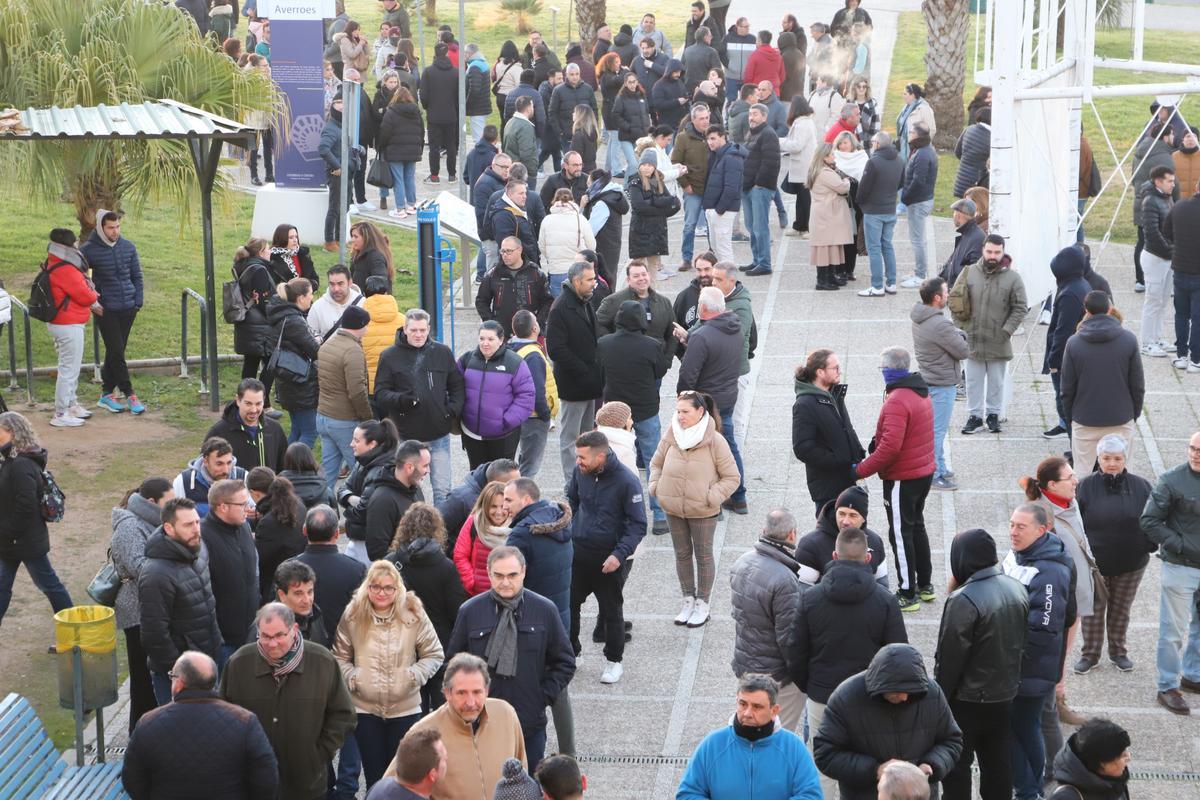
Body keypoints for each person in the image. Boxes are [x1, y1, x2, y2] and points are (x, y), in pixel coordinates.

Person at [790, 525, 906, 793]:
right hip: (870, 698)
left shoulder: (811, 599)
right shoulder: (886, 601)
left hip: (823, 695)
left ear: (834, 555)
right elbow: (898, 654)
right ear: (868, 558)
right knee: (870, 766)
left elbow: (795, 650)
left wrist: (812, 686)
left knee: (822, 767)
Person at [446, 546, 574, 770]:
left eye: (512, 575)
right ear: (488, 573)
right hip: (481, 721)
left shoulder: (544, 610)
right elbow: (453, 665)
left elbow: (564, 662)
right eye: (499, 575)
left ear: (523, 572)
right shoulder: (470, 611)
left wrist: (542, 696)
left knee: (530, 785)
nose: (505, 582)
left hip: (529, 722)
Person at [220, 603, 357, 800]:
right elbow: (223, 715)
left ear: (294, 630)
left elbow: (344, 714)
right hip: (254, 784)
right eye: (265, 636)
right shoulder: (238, 663)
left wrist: (318, 755)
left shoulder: (323, 661)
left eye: (279, 636)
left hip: (306, 785)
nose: (272, 644)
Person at [332, 560, 444, 789]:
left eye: (388, 588)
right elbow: (339, 657)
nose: (381, 593)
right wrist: (354, 678)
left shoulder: (413, 614)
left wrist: (412, 676)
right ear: (367, 587)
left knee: (405, 777)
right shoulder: (353, 614)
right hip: (366, 709)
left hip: (405, 708)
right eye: (375, 587)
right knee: (375, 777)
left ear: (397, 588)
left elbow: (434, 654)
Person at [935, 528, 1029, 800]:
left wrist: (940, 698)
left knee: (957, 766)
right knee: (998, 762)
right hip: (1005, 694)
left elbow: (949, 657)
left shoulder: (963, 599)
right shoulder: (1017, 588)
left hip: (966, 699)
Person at [814, 643, 963, 800]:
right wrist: (876, 770)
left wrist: (931, 765)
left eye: (910, 692)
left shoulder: (931, 693)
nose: (904, 697)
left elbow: (952, 740)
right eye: (898, 692)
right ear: (880, 685)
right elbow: (825, 753)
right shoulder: (846, 698)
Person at [121, 651, 278, 799]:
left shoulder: (148, 722)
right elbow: (266, 779)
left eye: (172, 676)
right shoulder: (245, 720)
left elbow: (132, 778)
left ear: (179, 683)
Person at [1002, 504, 1077, 799]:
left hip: (1029, 669)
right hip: (1018, 665)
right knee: (1021, 727)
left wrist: (1013, 663)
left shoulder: (1049, 571)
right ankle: (1028, 786)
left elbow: (1044, 628)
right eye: (1011, 524)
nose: (1013, 531)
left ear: (1041, 530)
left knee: (1024, 728)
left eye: (1021, 527)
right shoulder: (1018, 554)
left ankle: (1029, 790)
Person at [853, 347, 936, 611]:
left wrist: (860, 470)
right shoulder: (919, 391)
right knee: (917, 526)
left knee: (900, 533)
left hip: (903, 476)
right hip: (923, 471)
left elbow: (891, 447)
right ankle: (925, 584)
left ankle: (907, 592)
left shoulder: (897, 399)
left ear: (889, 370)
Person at [650, 390, 740, 627]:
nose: (680, 416)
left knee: (703, 555)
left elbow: (732, 477)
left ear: (700, 412)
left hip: (702, 510)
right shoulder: (671, 434)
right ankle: (687, 599)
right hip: (673, 507)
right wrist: (656, 487)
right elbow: (656, 463)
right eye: (678, 411)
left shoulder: (715, 441)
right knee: (681, 554)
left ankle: (703, 603)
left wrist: (711, 497)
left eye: (685, 412)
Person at [382, 652, 527, 794]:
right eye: (461, 693)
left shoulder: (506, 714)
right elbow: (391, 791)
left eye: (477, 692)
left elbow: (522, 773)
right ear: (447, 693)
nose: (470, 703)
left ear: (487, 691)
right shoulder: (424, 732)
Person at [568, 431, 646, 684]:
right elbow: (572, 499)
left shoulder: (627, 481)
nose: (578, 462)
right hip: (578, 553)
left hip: (608, 559)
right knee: (569, 606)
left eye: (582, 457)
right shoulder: (581, 471)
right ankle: (572, 653)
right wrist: (575, 528)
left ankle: (614, 661)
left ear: (601, 455)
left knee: (612, 612)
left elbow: (637, 524)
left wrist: (619, 554)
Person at [1075, 435, 1155, 674]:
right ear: (1098, 458)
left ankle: (1118, 652)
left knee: (1121, 610)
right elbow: (1075, 522)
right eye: (1107, 458)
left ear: (1124, 459)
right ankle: (1090, 654)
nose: (1112, 463)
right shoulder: (1085, 486)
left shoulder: (1142, 486)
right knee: (1093, 611)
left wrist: (1148, 545)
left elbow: (1153, 519)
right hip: (1095, 565)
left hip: (1132, 563)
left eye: (1117, 458)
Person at [677, 674, 823, 800]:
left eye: (757, 707)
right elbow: (688, 793)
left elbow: (811, 795)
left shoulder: (794, 748)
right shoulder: (712, 744)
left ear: (774, 710)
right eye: (743, 704)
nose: (747, 713)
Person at [375, 309, 466, 505]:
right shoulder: (389, 356)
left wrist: (451, 410)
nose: (418, 335)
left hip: (438, 433)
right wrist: (402, 400)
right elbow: (381, 393)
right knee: (406, 489)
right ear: (405, 329)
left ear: (429, 329)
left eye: (422, 330)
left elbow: (457, 385)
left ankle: (442, 533)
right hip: (406, 435)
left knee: (443, 490)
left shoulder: (442, 352)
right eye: (414, 330)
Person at [137, 497, 221, 706]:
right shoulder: (156, 574)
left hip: (207, 661)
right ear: (169, 528)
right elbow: (154, 635)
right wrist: (180, 671)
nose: (196, 530)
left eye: (197, 522)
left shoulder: (198, 549)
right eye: (188, 525)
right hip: (179, 677)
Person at [728, 509, 806, 730]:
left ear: (763, 531)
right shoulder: (785, 580)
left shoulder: (740, 562)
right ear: (792, 535)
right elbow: (787, 638)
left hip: (746, 663)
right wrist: (801, 673)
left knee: (748, 723)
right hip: (777, 675)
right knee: (777, 731)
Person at [1140, 431, 1200, 714]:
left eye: (1199, 449)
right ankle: (1167, 686)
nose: (1195, 454)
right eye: (1192, 448)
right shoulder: (1172, 480)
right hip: (1181, 566)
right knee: (1172, 630)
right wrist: (1182, 545)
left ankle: (1193, 675)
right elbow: (1150, 521)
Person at [385, 503, 466, 709]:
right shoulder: (446, 568)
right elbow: (457, 612)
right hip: (440, 646)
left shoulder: (390, 564)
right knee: (443, 712)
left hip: (403, 647)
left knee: (412, 712)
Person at [110, 477, 174, 731]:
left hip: (151, 608)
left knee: (151, 676)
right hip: (137, 613)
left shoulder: (150, 521)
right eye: (168, 503)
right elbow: (141, 567)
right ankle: (139, 734)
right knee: (142, 679)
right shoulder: (129, 527)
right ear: (151, 502)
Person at [949, 234, 1029, 436]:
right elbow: (955, 300)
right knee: (973, 382)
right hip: (972, 339)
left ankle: (993, 415)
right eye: (989, 251)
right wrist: (961, 329)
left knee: (996, 382)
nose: (992, 255)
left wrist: (1006, 331)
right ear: (983, 250)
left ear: (1003, 252)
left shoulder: (1013, 278)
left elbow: (1020, 307)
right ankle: (974, 416)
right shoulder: (968, 273)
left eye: (997, 252)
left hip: (998, 340)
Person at [678, 286, 748, 513]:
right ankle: (739, 496)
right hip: (728, 398)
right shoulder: (736, 328)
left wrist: (683, 403)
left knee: (704, 454)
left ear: (703, 308)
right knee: (729, 448)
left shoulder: (701, 336)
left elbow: (688, 376)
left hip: (706, 405)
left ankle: (711, 503)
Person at [1061, 290, 1144, 474]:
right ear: (1110, 309)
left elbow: (1067, 388)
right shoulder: (1128, 340)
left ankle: (1083, 503)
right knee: (1122, 473)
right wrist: (1133, 414)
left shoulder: (1074, 343)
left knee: (1082, 474)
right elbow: (1137, 385)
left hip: (1085, 419)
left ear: (1086, 310)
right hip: (1120, 417)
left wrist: (1072, 418)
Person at [80, 209, 145, 414]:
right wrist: (94, 303)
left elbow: (137, 275)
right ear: (101, 227)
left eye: (117, 226)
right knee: (116, 351)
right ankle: (129, 393)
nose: (115, 231)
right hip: (105, 309)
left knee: (116, 352)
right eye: (110, 227)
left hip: (128, 307)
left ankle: (106, 393)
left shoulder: (128, 247)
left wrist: (138, 301)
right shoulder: (88, 250)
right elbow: (82, 280)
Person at [546, 262, 604, 478]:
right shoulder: (561, 308)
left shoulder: (585, 301)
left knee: (587, 436)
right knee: (571, 437)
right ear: (577, 281)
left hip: (590, 383)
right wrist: (582, 370)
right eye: (590, 280)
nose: (594, 284)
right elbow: (556, 348)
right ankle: (572, 482)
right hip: (574, 383)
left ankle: (587, 476)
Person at [790, 348, 865, 513]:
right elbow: (803, 448)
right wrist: (839, 460)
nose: (839, 371)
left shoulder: (833, 394)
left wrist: (858, 453)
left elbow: (847, 429)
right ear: (820, 372)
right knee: (830, 534)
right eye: (835, 368)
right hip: (828, 488)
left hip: (847, 479)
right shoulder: (804, 404)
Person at [911, 277, 969, 491]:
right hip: (942, 382)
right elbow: (963, 351)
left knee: (937, 430)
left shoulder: (920, 317)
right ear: (937, 298)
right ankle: (933, 474)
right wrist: (961, 334)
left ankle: (941, 467)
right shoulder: (940, 324)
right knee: (937, 432)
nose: (948, 295)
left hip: (930, 378)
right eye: (945, 292)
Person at [40, 229, 98, 428]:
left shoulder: (55, 261)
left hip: (63, 322)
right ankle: (61, 412)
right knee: (69, 369)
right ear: (68, 245)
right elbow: (86, 296)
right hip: (68, 324)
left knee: (70, 366)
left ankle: (71, 404)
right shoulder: (66, 268)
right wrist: (94, 294)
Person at [458, 321, 535, 468]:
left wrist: (506, 421)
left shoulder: (514, 362)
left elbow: (526, 396)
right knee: (477, 479)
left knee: (501, 481)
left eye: (490, 339)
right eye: (482, 339)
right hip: (472, 435)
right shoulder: (466, 360)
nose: (485, 343)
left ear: (501, 340)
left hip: (503, 436)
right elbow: (454, 387)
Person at [200, 479, 259, 669]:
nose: (249, 508)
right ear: (223, 507)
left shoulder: (244, 527)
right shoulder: (202, 537)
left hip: (250, 632)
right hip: (223, 640)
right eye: (242, 504)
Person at [1042, 246, 1093, 441]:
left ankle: (1077, 450)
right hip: (1073, 358)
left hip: (1065, 361)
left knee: (1066, 406)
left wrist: (1053, 362)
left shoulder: (1070, 293)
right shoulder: (1079, 285)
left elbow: (1063, 332)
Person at [296, 504, 368, 641]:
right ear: (336, 534)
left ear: (305, 531)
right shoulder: (356, 570)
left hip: (302, 646)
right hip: (343, 645)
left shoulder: (289, 568)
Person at [794, 486, 890, 586]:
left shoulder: (875, 541)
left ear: (863, 518)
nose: (845, 521)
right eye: (842, 514)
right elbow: (803, 591)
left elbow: (882, 583)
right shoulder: (810, 545)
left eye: (853, 515)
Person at [267, 278, 321, 448]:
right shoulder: (294, 320)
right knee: (310, 432)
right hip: (300, 384)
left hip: (288, 381)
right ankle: (294, 470)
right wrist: (318, 341)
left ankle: (284, 467)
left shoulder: (282, 316)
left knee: (298, 430)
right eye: (310, 294)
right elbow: (315, 350)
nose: (312, 299)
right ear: (300, 298)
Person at [339, 419, 401, 563]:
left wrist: (348, 510)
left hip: (368, 543)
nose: (351, 444)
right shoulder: (363, 461)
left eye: (356, 440)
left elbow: (363, 512)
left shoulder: (380, 472)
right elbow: (342, 489)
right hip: (358, 538)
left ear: (372, 444)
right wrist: (351, 498)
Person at [229, 238, 278, 409]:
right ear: (260, 252)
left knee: (250, 363)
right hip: (260, 325)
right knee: (272, 362)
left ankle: (244, 400)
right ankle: (263, 403)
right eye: (268, 249)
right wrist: (274, 317)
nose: (270, 251)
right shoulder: (260, 270)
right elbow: (263, 300)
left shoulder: (242, 265)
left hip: (246, 322)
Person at [507, 311, 557, 478]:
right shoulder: (533, 355)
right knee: (530, 467)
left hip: (520, 413)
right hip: (534, 417)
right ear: (535, 328)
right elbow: (536, 389)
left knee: (522, 462)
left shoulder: (513, 350)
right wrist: (545, 414)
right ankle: (522, 500)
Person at [364, 439, 430, 561]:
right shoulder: (382, 501)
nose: (428, 471)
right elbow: (376, 552)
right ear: (409, 467)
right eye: (425, 466)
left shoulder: (414, 488)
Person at [205, 377, 288, 472]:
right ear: (238, 400)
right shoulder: (218, 432)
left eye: (258, 404)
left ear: (264, 401)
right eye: (248, 404)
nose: (253, 410)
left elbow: (284, 470)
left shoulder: (275, 430)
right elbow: (205, 470)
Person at [475, 237, 553, 338]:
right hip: (502, 334)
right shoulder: (494, 274)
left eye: (509, 251)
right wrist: (492, 323)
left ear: (519, 250)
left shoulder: (535, 273)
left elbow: (547, 301)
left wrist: (537, 322)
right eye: (502, 251)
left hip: (529, 334)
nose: (505, 255)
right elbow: (481, 301)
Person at [857, 132, 904, 295]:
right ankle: (891, 283)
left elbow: (863, 189)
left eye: (872, 142)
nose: (871, 145)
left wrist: (861, 203)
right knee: (887, 246)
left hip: (874, 211)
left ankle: (877, 286)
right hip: (890, 209)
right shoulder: (899, 159)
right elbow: (901, 183)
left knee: (874, 248)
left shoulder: (874, 162)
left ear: (877, 144)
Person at [249, 469, 306, 601]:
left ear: (255, 494)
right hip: (299, 568)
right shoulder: (297, 503)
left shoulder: (268, 522)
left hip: (278, 582)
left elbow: (259, 559)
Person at [1164, 165, 1200, 368]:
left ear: (1196, 188)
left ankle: (1181, 355)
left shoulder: (1178, 207)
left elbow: (1166, 231)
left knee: (1181, 315)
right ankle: (1196, 359)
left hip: (1180, 268)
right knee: (1198, 318)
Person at [740, 104, 781, 276]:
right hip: (747, 187)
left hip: (760, 188)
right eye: (750, 114)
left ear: (764, 117)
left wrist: (759, 184)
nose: (751, 117)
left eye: (755, 114)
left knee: (760, 227)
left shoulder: (768, 134)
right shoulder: (752, 133)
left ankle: (764, 263)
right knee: (751, 226)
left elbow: (771, 163)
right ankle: (757, 260)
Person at [807, 141, 854, 290]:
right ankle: (822, 280)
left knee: (831, 246)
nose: (834, 157)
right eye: (832, 155)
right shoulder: (824, 172)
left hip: (825, 214)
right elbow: (841, 188)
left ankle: (830, 277)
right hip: (827, 215)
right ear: (824, 157)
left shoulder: (818, 170)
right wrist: (847, 181)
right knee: (825, 248)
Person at [1047, 718, 1132, 800]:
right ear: (1102, 763)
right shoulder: (1066, 797)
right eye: (1122, 755)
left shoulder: (1115, 780)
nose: (1129, 757)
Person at [626, 151, 681, 277]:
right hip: (641, 231)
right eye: (644, 164)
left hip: (657, 231)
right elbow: (639, 207)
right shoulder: (635, 182)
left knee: (652, 273)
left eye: (650, 165)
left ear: (654, 166)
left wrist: (653, 201)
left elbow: (673, 202)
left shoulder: (658, 181)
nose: (646, 167)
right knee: (637, 270)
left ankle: (650, 295)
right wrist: (660, 208)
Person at [898, 123, 939, 289]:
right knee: (917, 239)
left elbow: (918, 181)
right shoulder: (923, 149)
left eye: (912, 132)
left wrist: (905, 199)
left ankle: (920, 275)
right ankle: (918, 271)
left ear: (919, 135)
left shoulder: (923, 153)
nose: (909, 134)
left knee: (917, 240)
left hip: (918, 201)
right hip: (919, 200)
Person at [453, 481, 511, 597]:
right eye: (493, 507)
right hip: (478, 594)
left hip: (509, 592)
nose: (499, 512)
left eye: (503, 507)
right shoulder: (474, 522)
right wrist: (470, 582)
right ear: (485, 506)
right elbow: (460, 555)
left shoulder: (518, 525)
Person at [377, 85, 425, 218]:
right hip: (413, 151)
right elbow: (421, 131)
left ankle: (400, 209)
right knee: (409, 178)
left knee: (398, 180)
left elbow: (385, 132)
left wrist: (382, 146)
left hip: (395, 151)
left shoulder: (391, 112)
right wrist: (419, 147)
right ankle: (411, 205)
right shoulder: (416, 112)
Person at [539, 189, 595, 297]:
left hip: (556, 270)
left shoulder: (547, 220)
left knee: (559, 307)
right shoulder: (581, 219)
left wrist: (553, 258)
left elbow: (542, 246)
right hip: (579, 271)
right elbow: (591, 246)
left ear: (554, 201)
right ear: (572, 201)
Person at [171, 437, 245, 518]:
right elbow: (173, 517)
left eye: (229, 463)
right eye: (219, 464)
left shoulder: (243, 478)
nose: (226, 471)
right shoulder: (183, 482)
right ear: (205, 461)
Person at [419, 42, 460, 183]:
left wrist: (427, 107)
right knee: (451, 146)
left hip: (434, 115)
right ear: (447, 53)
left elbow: (423, 95)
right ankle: (452, 174)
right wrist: (454, 107)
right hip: (451, 114)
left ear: (435, 54)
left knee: (434, 147)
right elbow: (460, 95)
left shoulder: (428, 72)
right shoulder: (456, 72)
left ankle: (434, 175)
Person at [271, 559, 330, 646]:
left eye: (310, 592)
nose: (307, 600)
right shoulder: (267, 626)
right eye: (298, 594)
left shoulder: (315, 614)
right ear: (282, 595)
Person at [938, 198, 985, 289]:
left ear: (958, 215)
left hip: (960, 293)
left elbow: (975, 271)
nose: (953, 216)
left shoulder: (976, 237)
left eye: (954, 213)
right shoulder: (969, 234)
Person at [308, 265, 363, 341]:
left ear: (350, 283)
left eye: (340, 284)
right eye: (332, 284)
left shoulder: (363, 304)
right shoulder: (317, 307)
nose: (336, 289)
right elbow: (310, 338)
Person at [549, 68, 597, 155]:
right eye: (572, 74)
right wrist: (559, 131)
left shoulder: (587, 88)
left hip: (586, 132)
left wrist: (593, 126)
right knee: (570, 161)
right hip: (567, 134)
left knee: (586, 160)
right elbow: (552, 112)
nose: (575, 77)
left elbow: (594, 109)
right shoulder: (558, 90)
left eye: (577, 74)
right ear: (566, 75)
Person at [895, 83, 936, 162]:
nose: (903, 96)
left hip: (917, 148)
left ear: (912, 95)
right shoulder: (907, 107)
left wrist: (921, 146)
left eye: (905, 94)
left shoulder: (924, 109)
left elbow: (932, 130)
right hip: (903, 147)